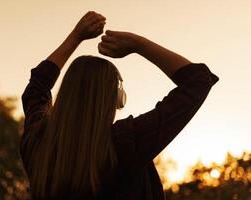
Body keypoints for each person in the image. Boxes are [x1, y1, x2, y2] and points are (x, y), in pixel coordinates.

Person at [20, 11, 219, 200]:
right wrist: (138, 44)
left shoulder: (38, 141)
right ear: (112, 99)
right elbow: (198, 81)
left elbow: (37, 87)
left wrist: (76, 37)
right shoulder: (126, 142)